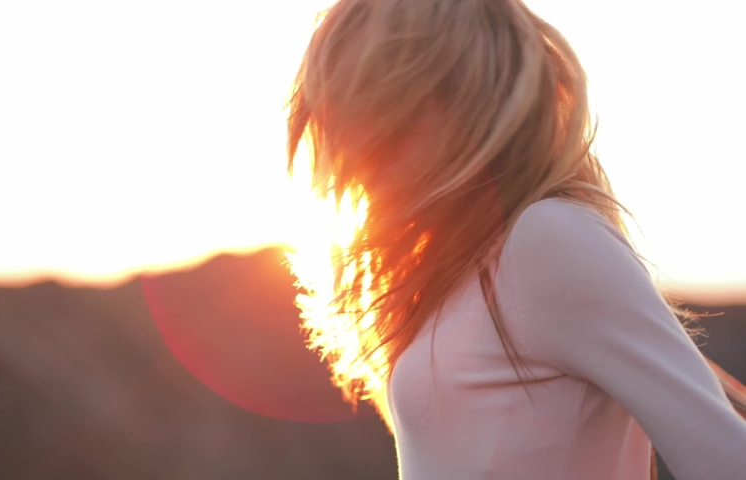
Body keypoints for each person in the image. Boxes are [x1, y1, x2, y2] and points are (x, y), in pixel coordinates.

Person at [285, 0, 746, 479]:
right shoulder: (456, 268)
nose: (359, 145)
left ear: (471, 99)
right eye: (344, 113)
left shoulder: (544, 238)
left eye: (390, 111)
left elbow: (726, 458)